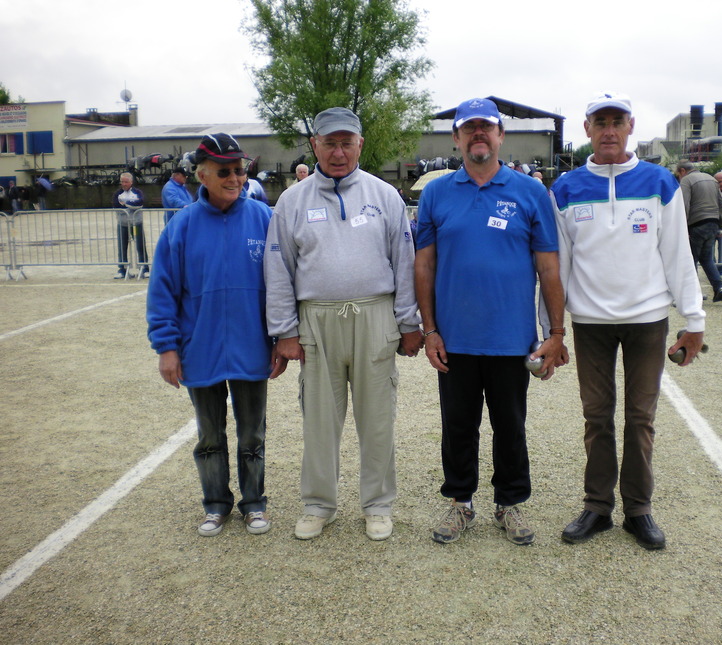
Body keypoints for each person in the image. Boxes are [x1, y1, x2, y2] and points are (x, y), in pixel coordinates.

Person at [550, 92, 705, 551]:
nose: (610, 130)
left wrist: (693, 319)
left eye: (617, 121)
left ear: (631, 126)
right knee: (597, 417)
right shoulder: (566, 188)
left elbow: (678, 255)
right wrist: (553, 329)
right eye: (601, 122)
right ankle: (597, 506)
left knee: (641, 418)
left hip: (647, 320)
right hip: (591, 323)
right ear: (588, 130)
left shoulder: (660, 183)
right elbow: (557, 266)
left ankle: (638, 509)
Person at [415, 97, 568, 546]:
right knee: (457, 425)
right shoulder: (437, 193)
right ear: (457, 138)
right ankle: (460, 501)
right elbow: (423, 265)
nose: (478, 135)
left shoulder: (530, 192)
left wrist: (556, 333)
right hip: (455, 338)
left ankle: (509, 503)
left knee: (510, 425)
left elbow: (549, 268)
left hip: (511, 339)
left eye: (487, 128)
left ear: (501, 135)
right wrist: (429, 329)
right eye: (470, 129)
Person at [264, 107, 422, 542]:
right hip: (317, 322)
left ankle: (378, 504)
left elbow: (404, 262)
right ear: (314, 145)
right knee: (318, 420)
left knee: (377, 420)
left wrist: (410, 323)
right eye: (329, 143)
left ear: (360, 144)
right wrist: (285, 331)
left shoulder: (385, 195)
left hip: (375, 316)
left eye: (346, 142)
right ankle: (318, 504)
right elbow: (279, 268)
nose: (338, 152)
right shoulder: (292, 201)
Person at [147, 132, 282, 537]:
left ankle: (254, 503)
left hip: (252, 345)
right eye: (224, 171)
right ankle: (216, 504)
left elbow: (281, 286)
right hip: (200, 348)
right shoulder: (181, 227)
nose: (235, 178)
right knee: (209, 434)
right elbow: (163, 291)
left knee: (252, 433)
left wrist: (280, 338)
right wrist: (166, 347)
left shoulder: (264, 218)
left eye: (240, 170)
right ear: (202, 175)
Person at [676, 160, 722, 301]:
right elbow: (721, 204)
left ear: (682, 171)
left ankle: (692, 294)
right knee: (707, 259)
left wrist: (682, 227)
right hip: (713, 222)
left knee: (691, 259)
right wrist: (721, 225)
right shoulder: (711, 179)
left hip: (696, 223)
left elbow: (684, 205)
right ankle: (719, 287)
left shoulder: (686, 180)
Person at [112, 172, 149, 279]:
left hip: (136, 224)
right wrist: (131, 204)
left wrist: (126, 203)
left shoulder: (138, 192)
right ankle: (122, 269)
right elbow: (116, 204)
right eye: (122, 182)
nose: (124, 184)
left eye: (126, 182)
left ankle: (144, 268)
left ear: (131, 182)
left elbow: (140, 203)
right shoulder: (117, 193)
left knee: (140, 246)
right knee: (122, 247)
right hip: (122, 224)